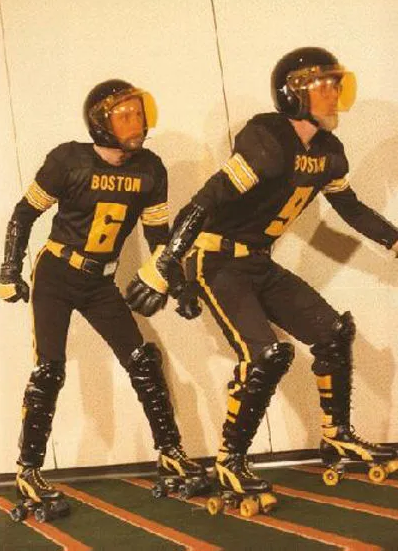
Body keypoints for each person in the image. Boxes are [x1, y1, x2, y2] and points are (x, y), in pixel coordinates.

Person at [126, 47, 398, 501]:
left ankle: (336, 436)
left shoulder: (328, 152)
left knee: (332, 332)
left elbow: (350, 208)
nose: (334, 95)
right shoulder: (267, 139)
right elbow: (205, 201)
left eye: (336, 86)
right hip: (217, 261)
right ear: (295, 93)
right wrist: (166, 263)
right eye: (324, 87)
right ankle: (230, 460)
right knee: (266, 356)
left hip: (256, 261)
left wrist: (394, 241)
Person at [0, 79, 206, 522]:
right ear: (101, 123)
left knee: (142, 361)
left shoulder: (150, 168)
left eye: (138, 113)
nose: (136, 123)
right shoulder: (67, 160)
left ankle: (170, 452)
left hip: (100, 281)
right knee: (49, 370)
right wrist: (9, 269)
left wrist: (180, 284)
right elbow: (24, 213)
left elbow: (159, 237)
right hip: (57, 272)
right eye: (124, 115)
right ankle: (29, 470)